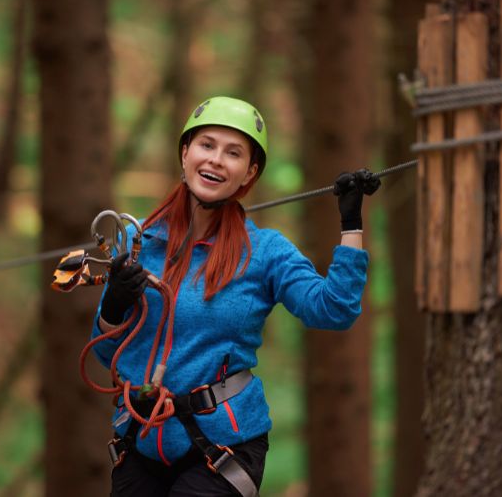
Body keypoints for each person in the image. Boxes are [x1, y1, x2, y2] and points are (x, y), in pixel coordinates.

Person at [90, 96, 380, 496]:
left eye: (233, 153)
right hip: (142, 440)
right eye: (206, 145)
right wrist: (113, 304)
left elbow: (335, 310)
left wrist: (350, 224)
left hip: (224, 443)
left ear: (249, 172)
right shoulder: (140, 243)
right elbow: (105, 354)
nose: (215, 160)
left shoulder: (265, 253)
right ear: (185, 152)